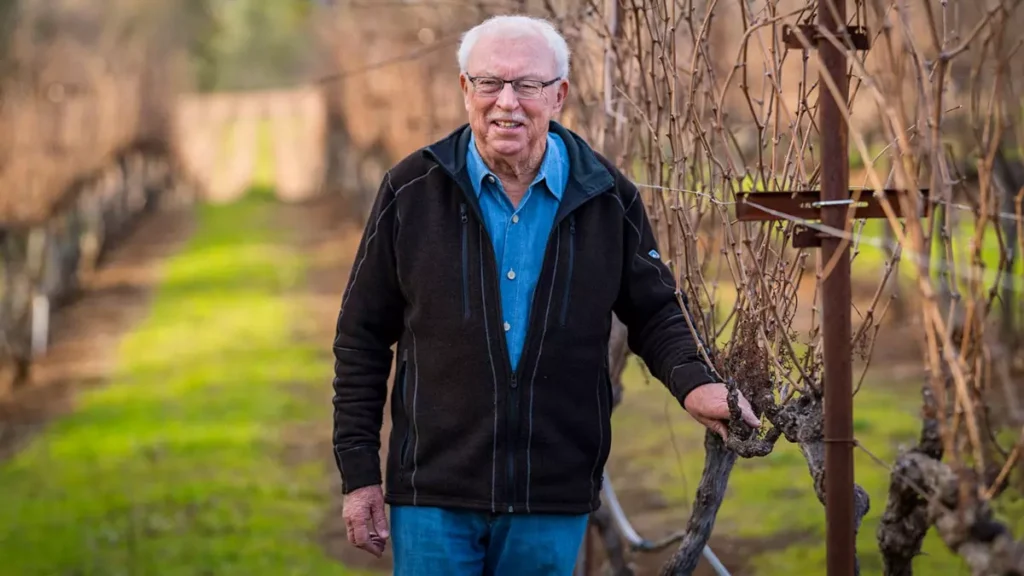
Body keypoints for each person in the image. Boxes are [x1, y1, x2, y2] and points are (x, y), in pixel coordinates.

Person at [330, 14, 760, 576]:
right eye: (489, 82)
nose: (506, 101)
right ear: (465, 90)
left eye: (527, 85)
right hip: (432, 494)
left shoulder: (606, 195)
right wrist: (359, 472)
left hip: (551, 494)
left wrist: (695, 384)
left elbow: (654, 311)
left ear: (558, 95)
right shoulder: (411, 191)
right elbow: (361, 339)